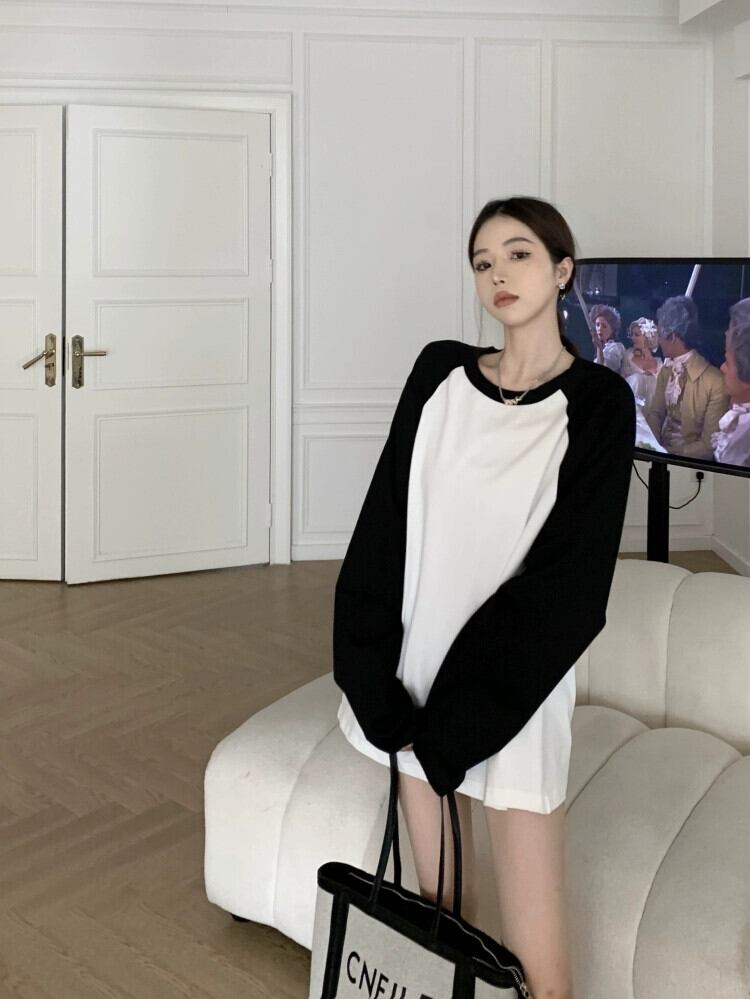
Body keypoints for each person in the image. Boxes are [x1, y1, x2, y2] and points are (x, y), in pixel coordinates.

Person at [332, 196, 635, 999]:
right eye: (482, 262)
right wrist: (373, 681)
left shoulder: (599, 401)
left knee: (540, 968)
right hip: (414, 693)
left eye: (519, 253)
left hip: (513, 697)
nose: (498, 272)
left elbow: (572, 585)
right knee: (439, 932)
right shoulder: (439, 372)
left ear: (563, 269)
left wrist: (460, 723)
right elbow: (383, 528)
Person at [643, 296, 729, 460]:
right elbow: (656, 413)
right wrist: (652, 448)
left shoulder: (715, 382)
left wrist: (669, 454)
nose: (659, 341)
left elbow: (708, 445)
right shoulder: (666, 371)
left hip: (689, 465)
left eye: (660, 335)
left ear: (672, 337)